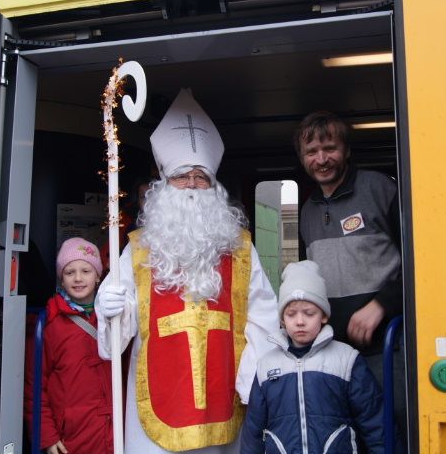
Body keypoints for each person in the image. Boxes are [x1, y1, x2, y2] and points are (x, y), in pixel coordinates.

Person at [95, 88, 278, 454]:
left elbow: (263, 317)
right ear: (165, 182)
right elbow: (118, 330)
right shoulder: (139, 247)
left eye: (201, 176)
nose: (193, 185)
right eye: (182, 176)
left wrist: (252, 380)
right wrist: (110, 307)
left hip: (224, 392)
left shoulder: (240, 247)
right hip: (159, 393)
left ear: (214, 185)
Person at [294, 110, 406, 448]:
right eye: (311, 152)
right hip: (333, 351)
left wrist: (381, 305)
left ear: (347, 150)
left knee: (393, 432)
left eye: (330, 148)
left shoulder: (380, 189)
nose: (321, 159)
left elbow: (423, 261)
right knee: (345, 436)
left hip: (388, 349)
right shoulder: (307, 210)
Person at [241, 260, 383, 453]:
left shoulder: (347, 360)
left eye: (309, 313)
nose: (300, 321)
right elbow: (253, 432)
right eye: (291, 314)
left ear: (323, 315)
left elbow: (375, 422)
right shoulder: (266, 366)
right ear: (282, 319)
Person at [24, 237, 112, 454]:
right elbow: (34, 387)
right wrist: (46, 436)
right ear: (61, 280)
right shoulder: (49, 325)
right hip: (71, 438)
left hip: (114, 433)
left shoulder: (115, 318)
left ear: (99, 276)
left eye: (86, 270)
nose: (78, 278)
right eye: (69, 272)